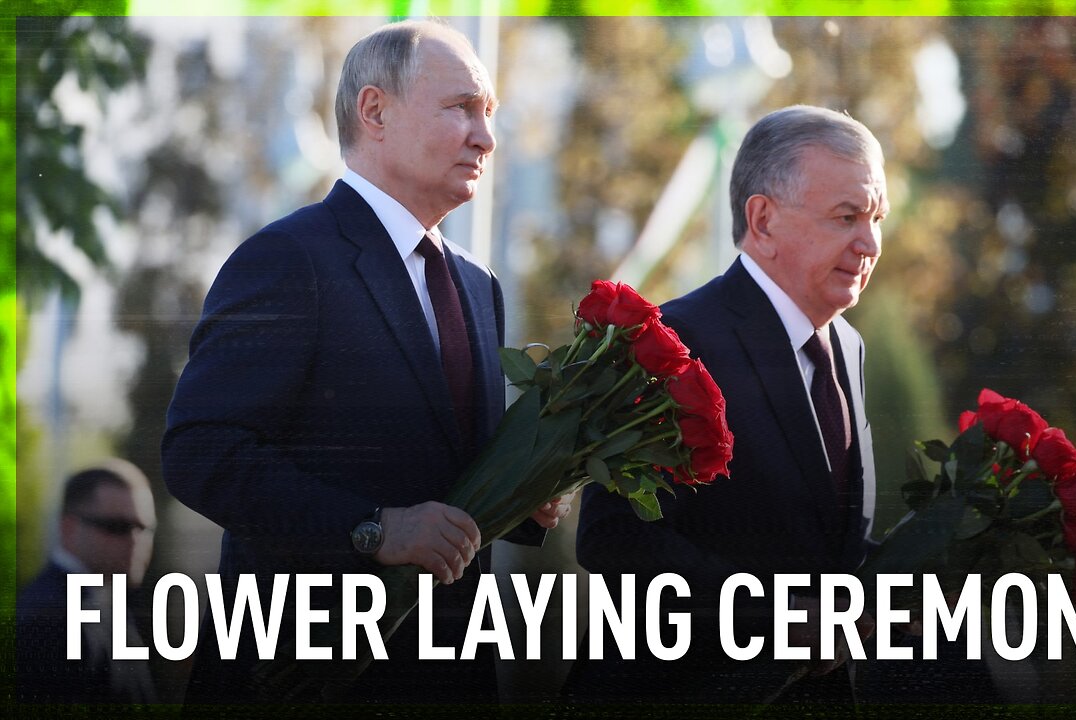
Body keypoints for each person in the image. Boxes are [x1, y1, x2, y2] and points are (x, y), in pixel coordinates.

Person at [162, 19, 570, 704]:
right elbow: (201, 453)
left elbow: (442, 469)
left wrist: (524, 493)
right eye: (461, 107)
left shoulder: (477, 285)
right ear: (374, 111)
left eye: (489, 113)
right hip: (303, 683)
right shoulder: (287, 259)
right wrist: (374, 527)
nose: (486, 137)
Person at [568, 105, 884, 703]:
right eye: (847, 217)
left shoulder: (847, 345)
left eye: (876, 218)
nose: (869, 242)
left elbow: (824, 539)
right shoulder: (673, 344)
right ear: (762, 219)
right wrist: (775, 618)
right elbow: (616, 540)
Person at [16, 460, 158, 704]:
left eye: (145, 528)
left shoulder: (103, 601)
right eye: (118, 526)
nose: (136, 541)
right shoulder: (48, 621)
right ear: (69, 528)